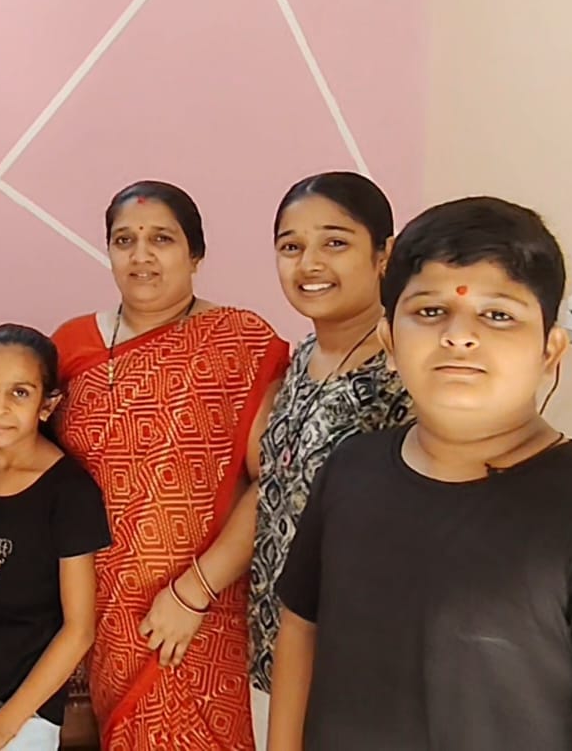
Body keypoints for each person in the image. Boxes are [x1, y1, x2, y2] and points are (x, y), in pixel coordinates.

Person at [268, 196, 572, 750]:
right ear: (389, 341)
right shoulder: (352, 472)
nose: (459, 336)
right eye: (430, 311)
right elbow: (302, 626)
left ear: (550, 351)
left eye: (498, 316)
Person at [52, 180, 288, 750]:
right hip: (98, 621)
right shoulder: (71, 346)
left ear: (195, 254)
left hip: (198, 617)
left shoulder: (239, 342)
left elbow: (273, 484)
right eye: (124, 240)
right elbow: (42, 485)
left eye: (161, 239)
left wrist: (192, 593)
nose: (141, 255)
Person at [246, 172, 413, 741]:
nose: (310, 263)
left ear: (384, 254)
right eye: (291, 246)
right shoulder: (302, 357)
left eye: (335, 242)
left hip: (359, 665)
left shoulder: (403, 373)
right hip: (275, 650)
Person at [0, 325, 111, 751]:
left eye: (19, 393)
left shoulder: (69, 493)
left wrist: (3, 726)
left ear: (47, 404)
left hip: (23, 715)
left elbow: (78, 630)